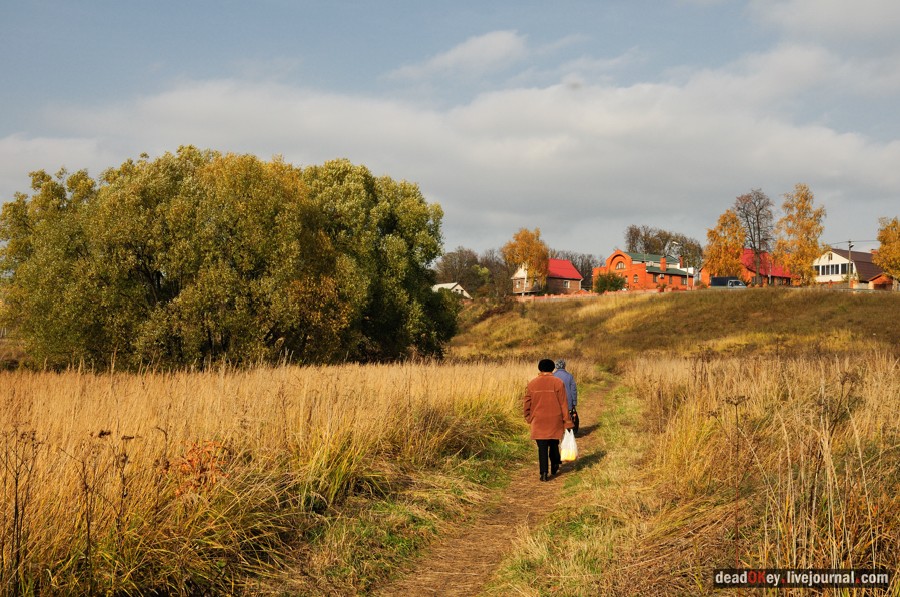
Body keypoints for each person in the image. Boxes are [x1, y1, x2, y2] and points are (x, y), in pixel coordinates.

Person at [523, 358, 574, 482]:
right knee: (553, 443)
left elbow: (527, 402)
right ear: (552, 368)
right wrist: (567, 421)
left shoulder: (532, 383)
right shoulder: (558, 382)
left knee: (542, 447)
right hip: (555, 419)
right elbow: (563, 403)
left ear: (540, 368)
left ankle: (544, 473)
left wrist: (528, 416)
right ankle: (555, 462)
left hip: (538, 420)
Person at [553, 359, 578, 435]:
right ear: (564, 366)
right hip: (568, 401)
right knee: (568, 417)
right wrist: (574, 402)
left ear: (556, 366)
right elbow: (573, 390)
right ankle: (568, 431)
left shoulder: (553, 376)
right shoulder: (569, 376)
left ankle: (558, 431)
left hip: (555, 401)